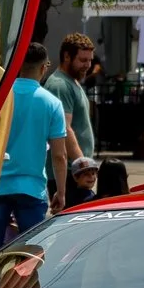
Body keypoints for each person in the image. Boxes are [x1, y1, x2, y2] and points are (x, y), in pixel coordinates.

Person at [0, 40, 73, 253]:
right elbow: (59, 156)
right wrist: (61, 192)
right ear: (44, 67)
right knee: (33, 254)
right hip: (31, 188)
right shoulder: (52, 103)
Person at [45, 33, 98, 203]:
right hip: (70, 173)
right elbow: (65, 129)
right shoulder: (60, 85)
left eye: (90, 60)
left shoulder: (72, 82)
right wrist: (83, 167)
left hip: (74, 172)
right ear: (67, 56)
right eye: (83, 60)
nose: (88, 66)